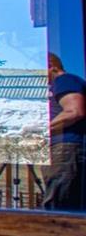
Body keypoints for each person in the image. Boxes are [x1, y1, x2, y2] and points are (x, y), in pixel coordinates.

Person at [41, 52, 86, 211]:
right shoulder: (64, 82)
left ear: (51, 66)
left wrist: (42, 130)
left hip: (66, 147)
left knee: (59, 206)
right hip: (65, 148)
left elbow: (74, 111)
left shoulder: (64, 80)